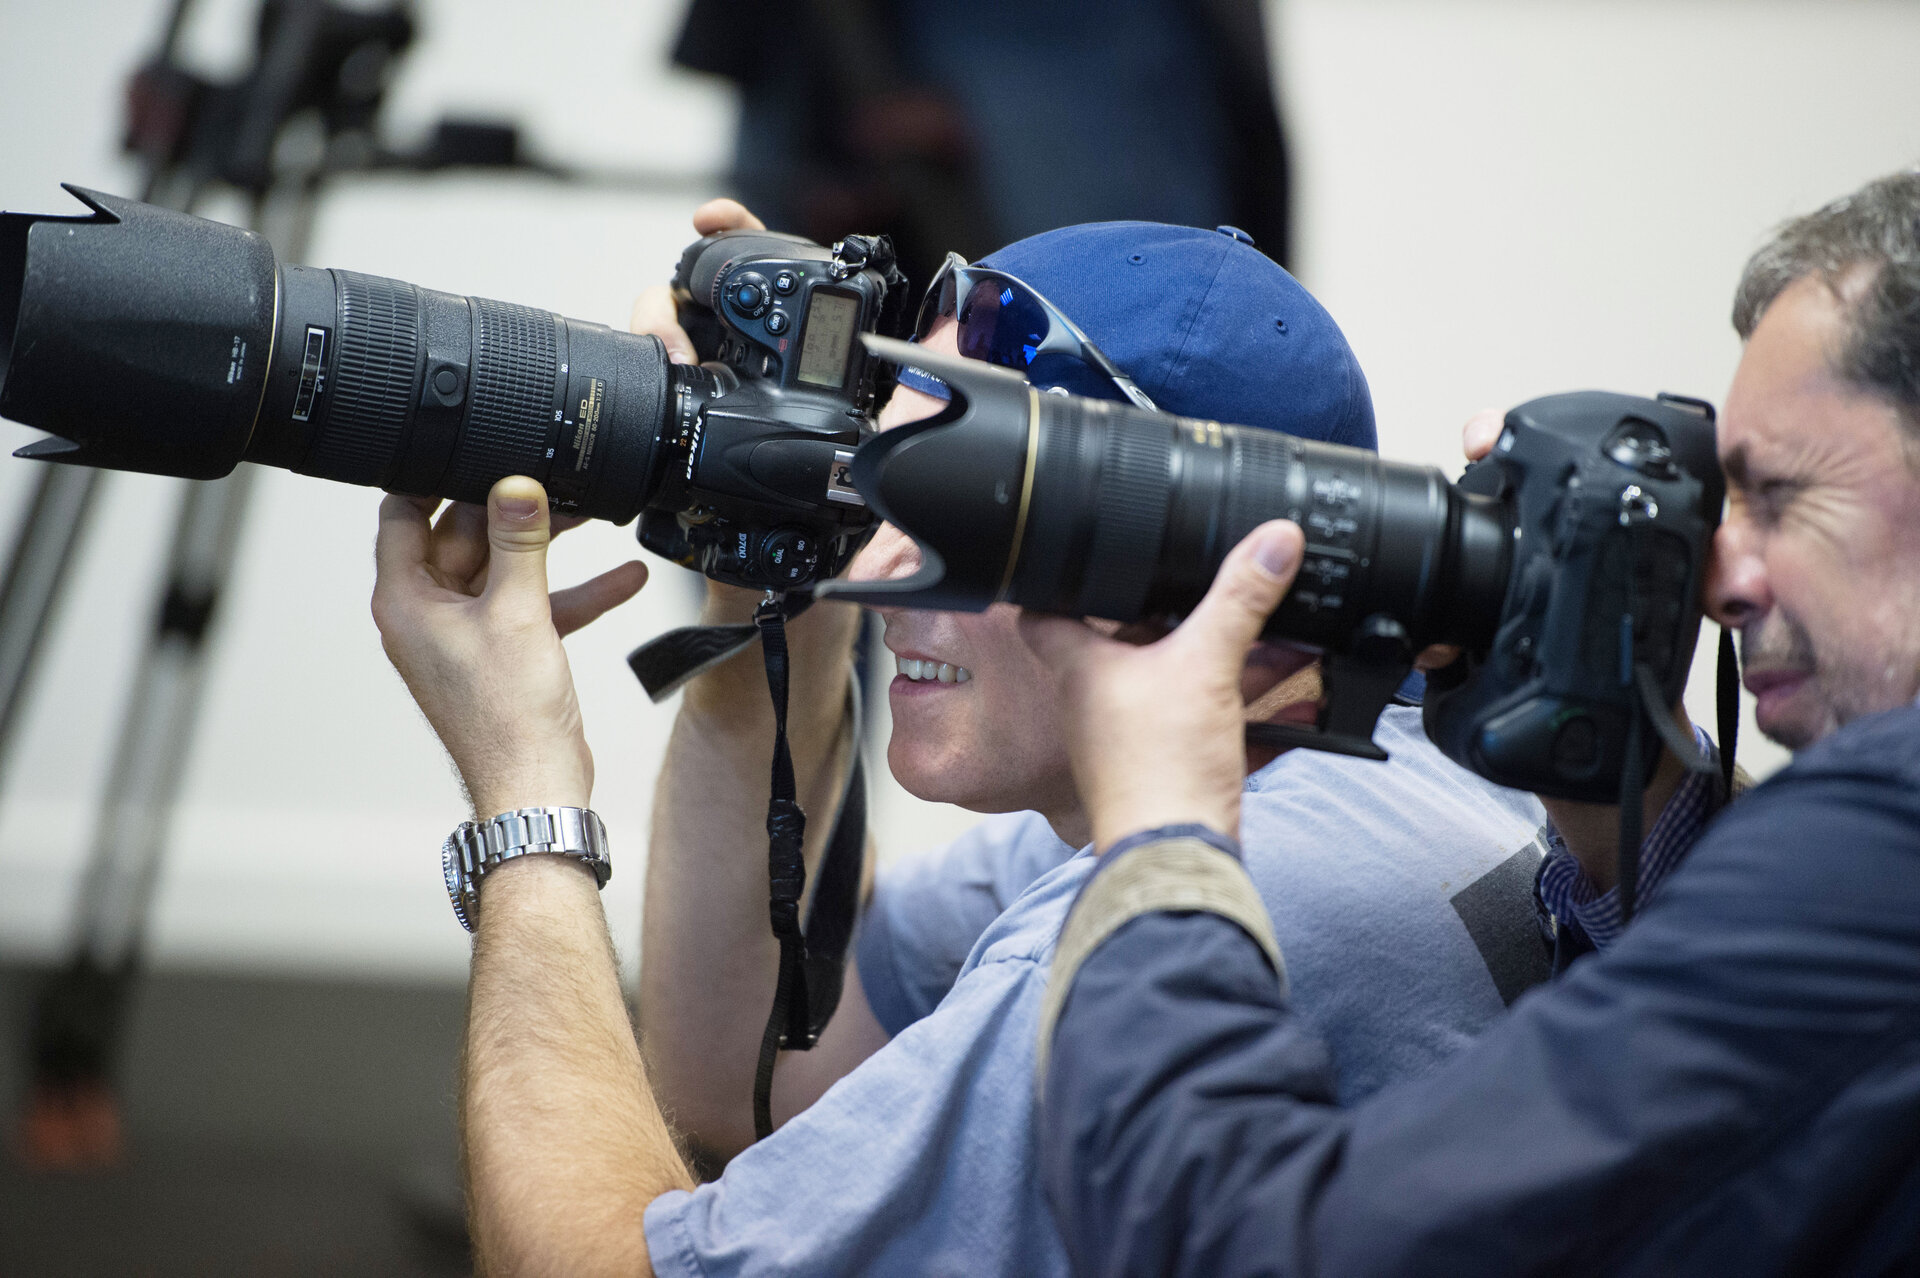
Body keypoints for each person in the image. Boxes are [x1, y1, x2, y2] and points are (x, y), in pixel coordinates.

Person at [370, 211, 1549, 1276]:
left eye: (963, 503)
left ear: (1167, 544)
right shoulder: (1383, 750)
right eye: (882, 485)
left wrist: (525, 787)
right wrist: (762, 548)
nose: (877, 571)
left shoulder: (1171, 937)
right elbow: (751, 1065)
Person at [1031, 166, 1920, 1276]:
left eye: (1782, 497)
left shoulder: (1886, 840)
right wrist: (1613, 773)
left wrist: (1160, 837)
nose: (1722, 576)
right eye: (1719, 505)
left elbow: (1238, 1243)